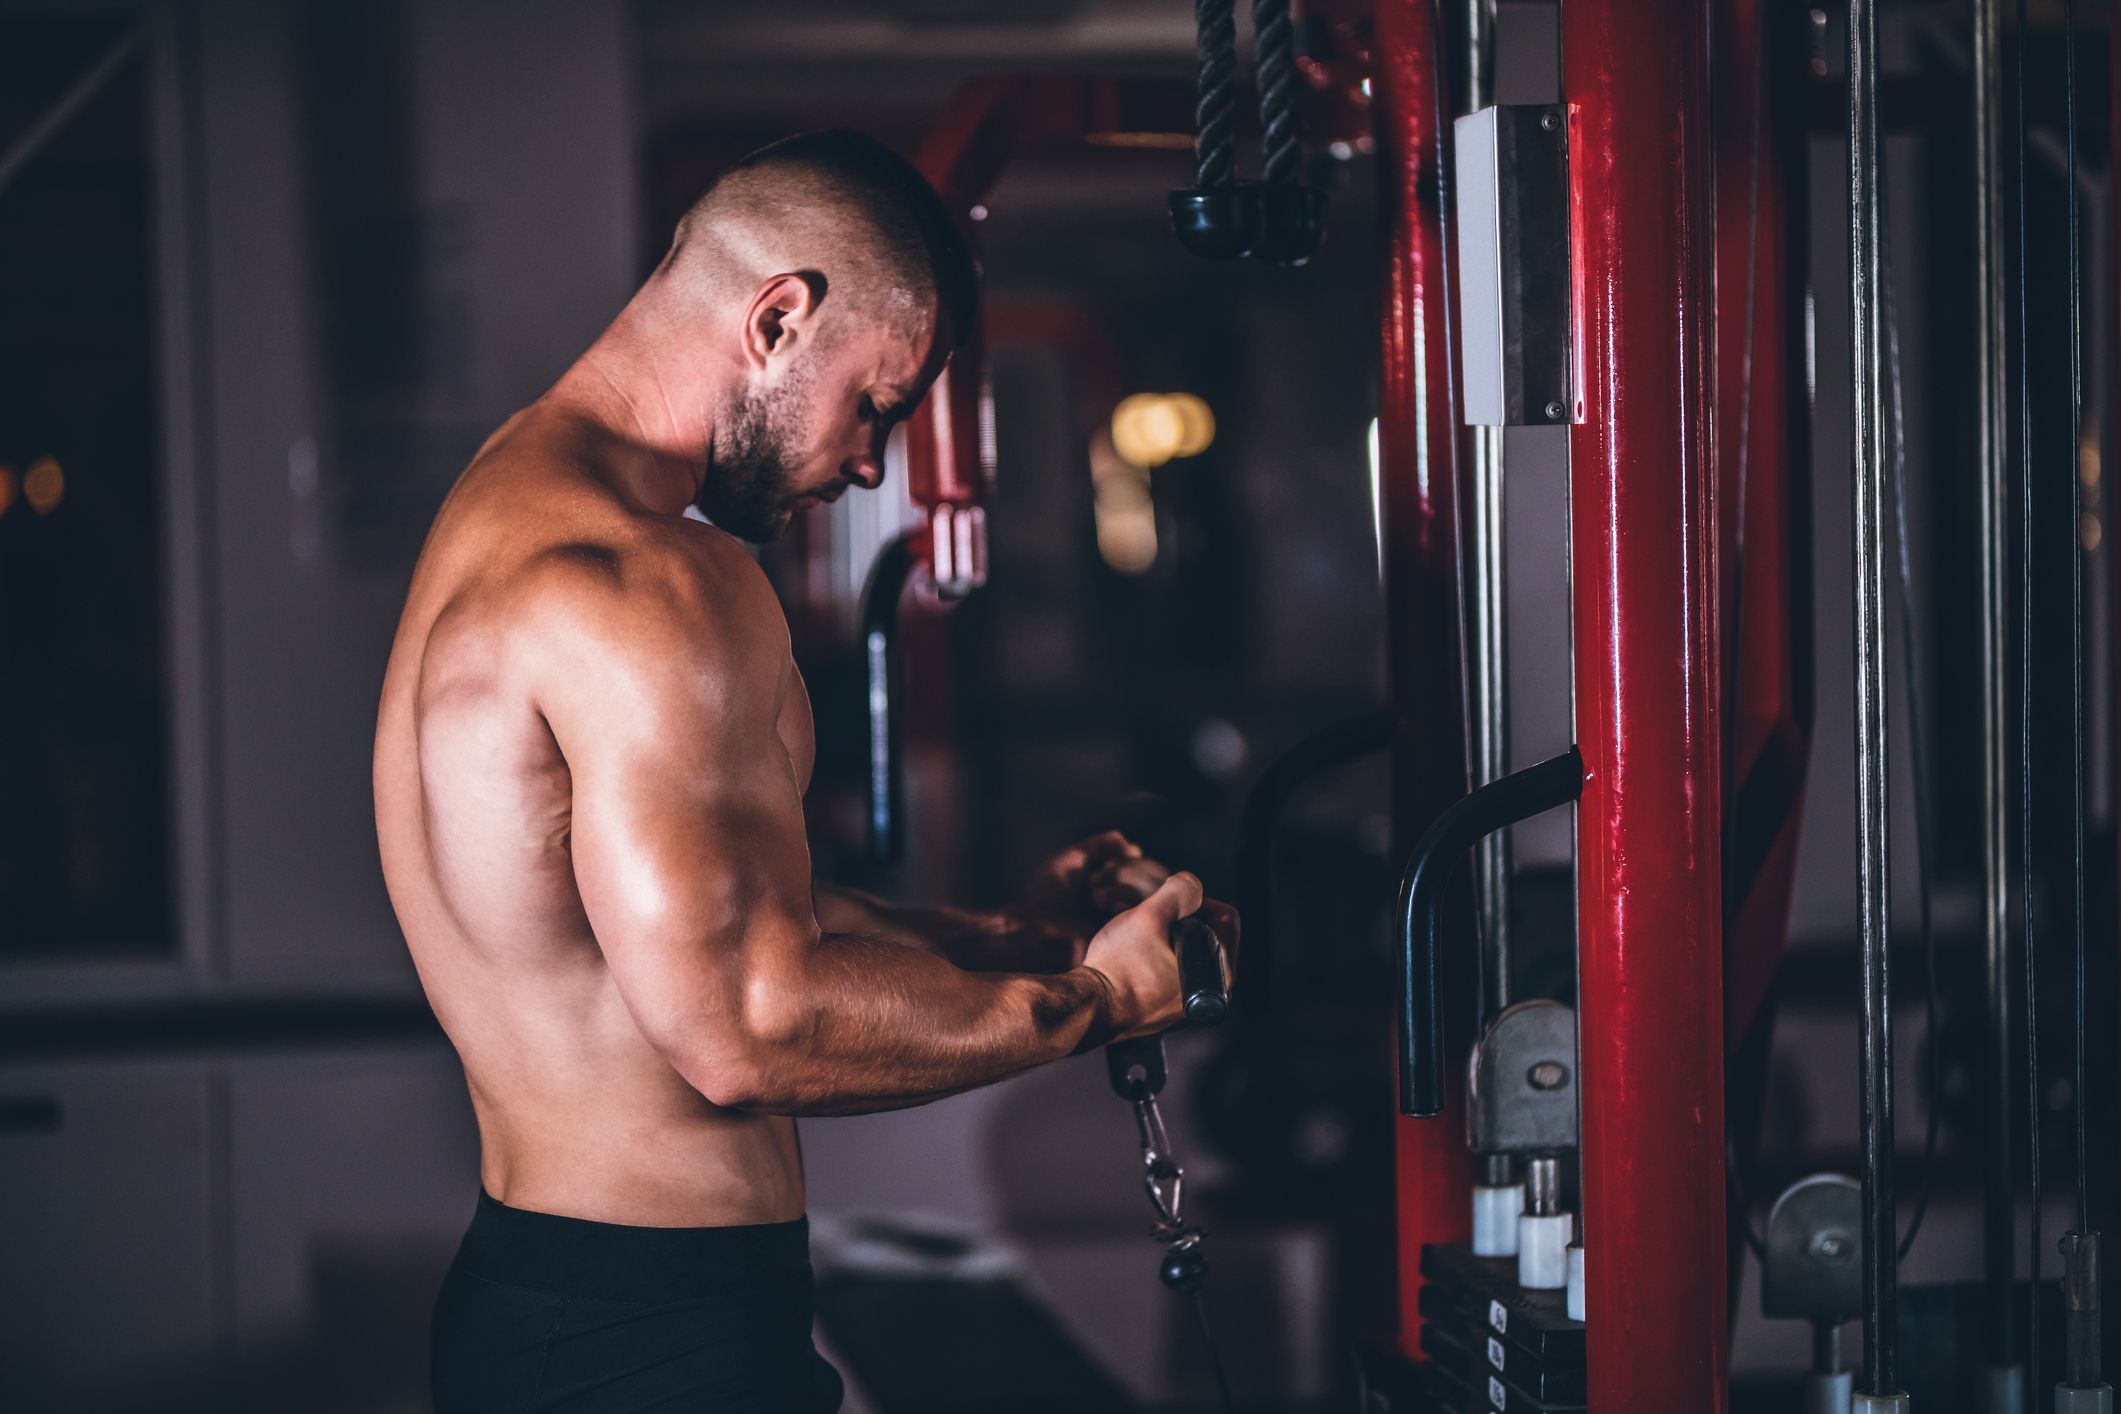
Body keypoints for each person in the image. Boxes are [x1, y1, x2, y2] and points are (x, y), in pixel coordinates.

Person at [372, 128, 1233, 1413]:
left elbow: (706, 930)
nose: (876, 459)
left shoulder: (502, 509)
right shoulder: (649, 580)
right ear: (779, 318)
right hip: (654, 1341)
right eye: (878, 402)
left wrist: (1019, 936)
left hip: (556, 1303)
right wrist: (1098, 1006)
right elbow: (747, 1025)